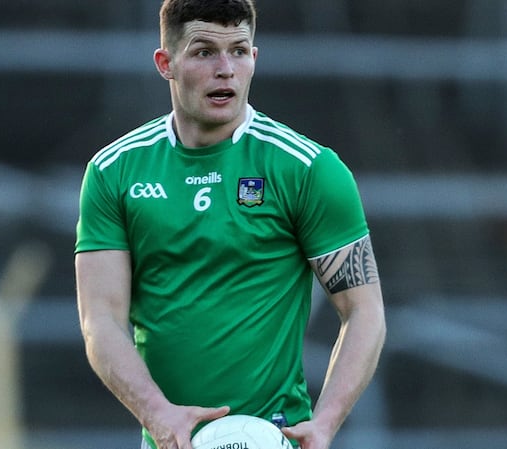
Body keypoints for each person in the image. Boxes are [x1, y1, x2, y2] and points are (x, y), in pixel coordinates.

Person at [75, 1, 386, 448]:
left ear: (254, 60)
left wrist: (326, 422)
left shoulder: (307, 169)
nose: (226, 69)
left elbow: (364, 311)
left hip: (275, 436)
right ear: (166, 63)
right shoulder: (115, 172)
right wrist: (158, 416)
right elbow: (100, 319)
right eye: (204, 53)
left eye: (238, 51)